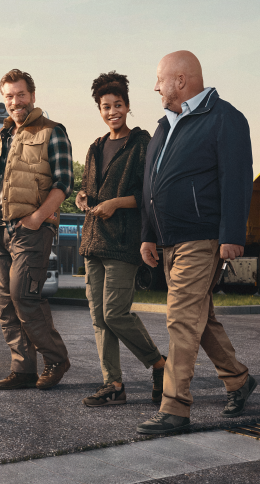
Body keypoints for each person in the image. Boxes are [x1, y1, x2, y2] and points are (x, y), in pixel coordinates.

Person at [136, 51, 256, 434]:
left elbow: (237, 178)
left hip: (200, 237)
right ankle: (238, 380)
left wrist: (232, 235)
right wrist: (148, 234)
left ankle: (175, 407)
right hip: (169, 240)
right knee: (200, 320)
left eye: (160, 79)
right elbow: (150, 184)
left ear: (181, 80)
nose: (156, 87)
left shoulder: (224, 118)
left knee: (181, 319)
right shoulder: (164, 126)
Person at [0, 69, 74, 391]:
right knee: (6, 304)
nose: (15, 102)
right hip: (0, 229)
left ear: (32, 95)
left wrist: (37, 219)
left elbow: (64, 183)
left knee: (24, 297)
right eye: (9, 96)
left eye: (20, 95)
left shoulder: (52, 132)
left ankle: (56, 359)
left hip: (32, 231)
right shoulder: (0, 137)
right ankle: (23, 369)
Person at [74, 71, 166, 407]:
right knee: (99, 318)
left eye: (117, 105)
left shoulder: (141, 144)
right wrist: (83, 196)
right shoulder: (95, 147)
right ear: (99, 109)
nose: (112, 111)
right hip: (93, 241)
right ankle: (112, 384)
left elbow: (148, 194)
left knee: (115, 313)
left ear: (127, 106)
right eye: (105, 106)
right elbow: (89, 187)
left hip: (123, 243)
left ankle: (160, 364)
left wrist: (115, 203)